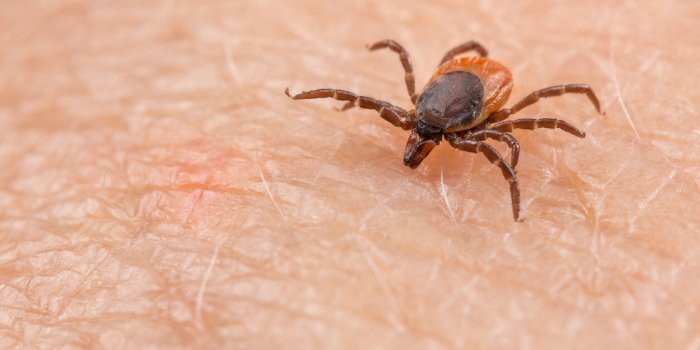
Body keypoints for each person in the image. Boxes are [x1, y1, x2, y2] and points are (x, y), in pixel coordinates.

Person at [2, 1, 698, 348]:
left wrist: (513, 166)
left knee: (534, 120)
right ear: (421, 111)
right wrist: (319, 98)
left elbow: (509, 130)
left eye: (425, 136)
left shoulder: (474, 126)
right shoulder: (421, 110)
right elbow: (389, 84)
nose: (418, 142)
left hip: (476, 92)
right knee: (398, 95)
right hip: (461, 86)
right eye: (421, 132)